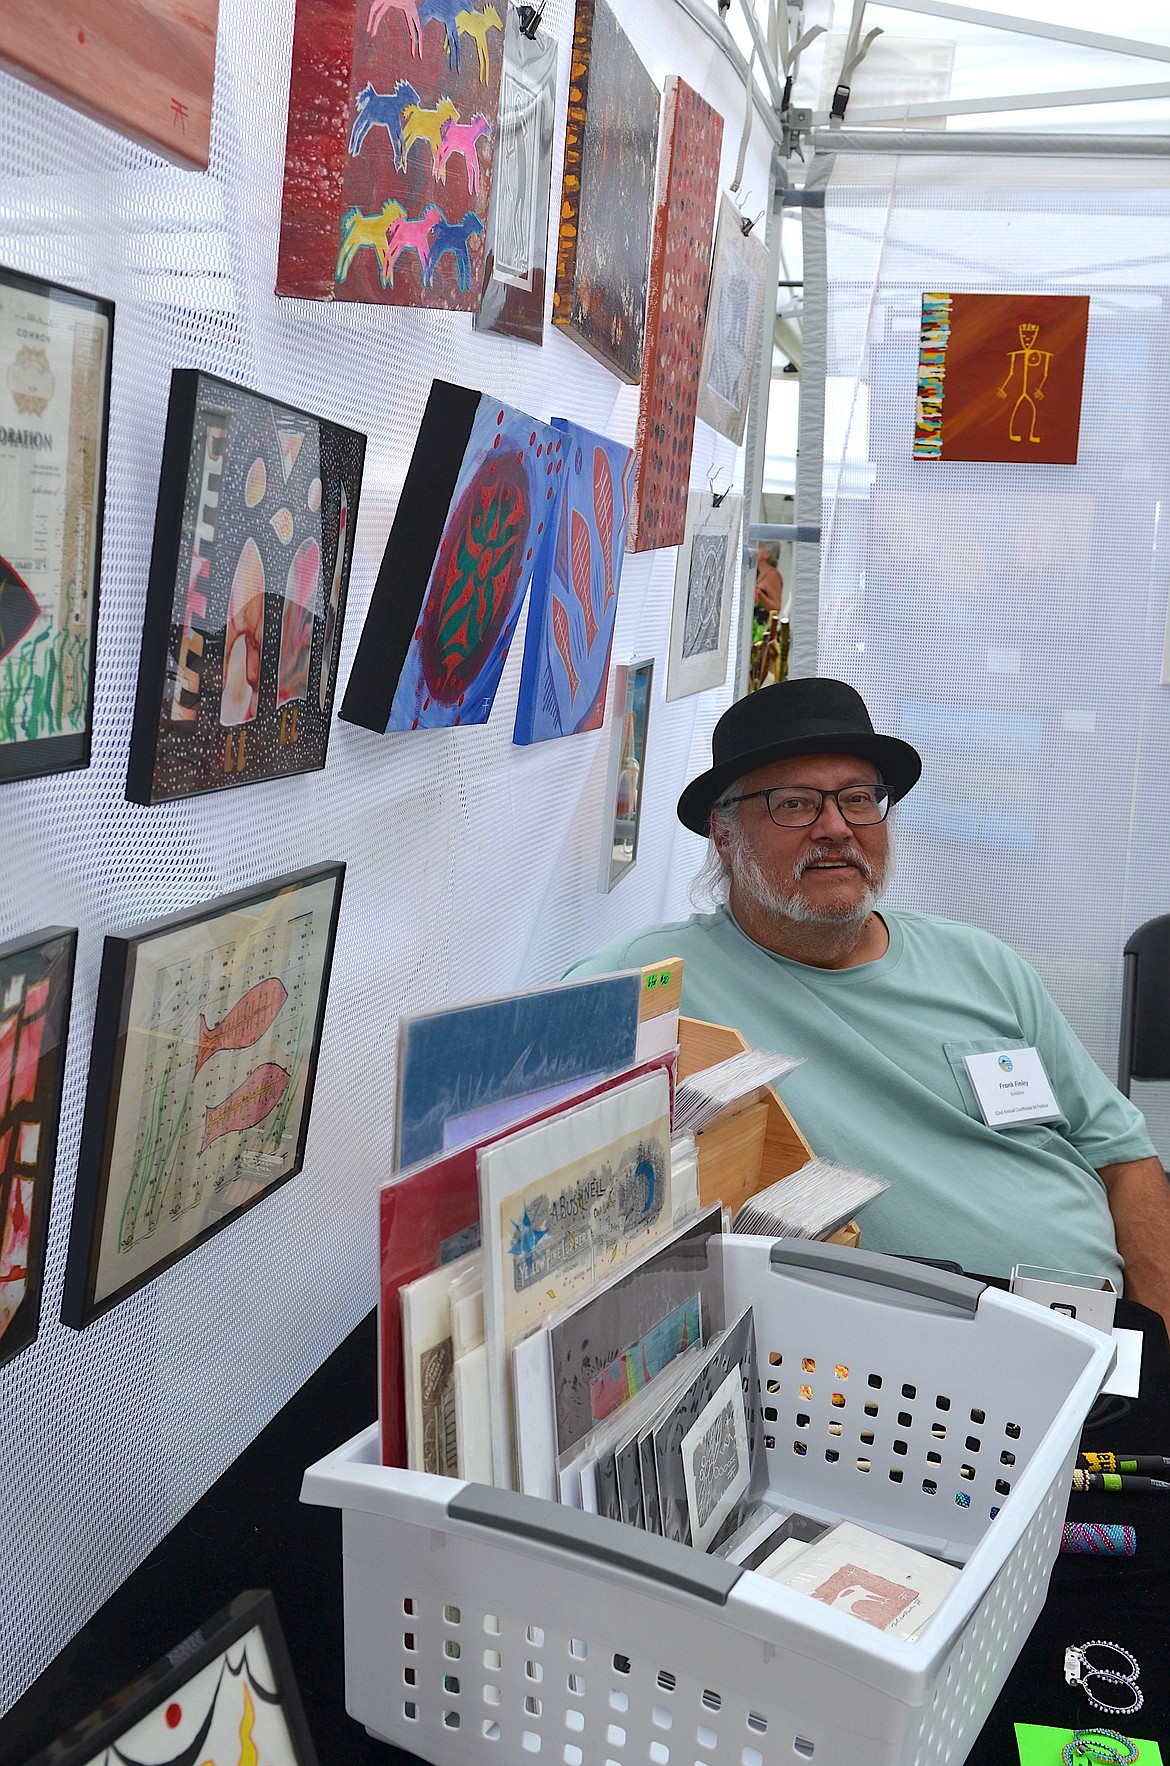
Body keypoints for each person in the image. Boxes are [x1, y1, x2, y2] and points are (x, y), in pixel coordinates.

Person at [571, 677, 1170, 1332]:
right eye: (794, 804)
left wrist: (1159, 1346)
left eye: (859, 799)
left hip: (1101, 1347)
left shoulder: (981, 966)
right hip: (887, 1379)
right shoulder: (651, 985)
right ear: (722, 831)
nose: (836, 827)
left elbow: (1122, 1156)